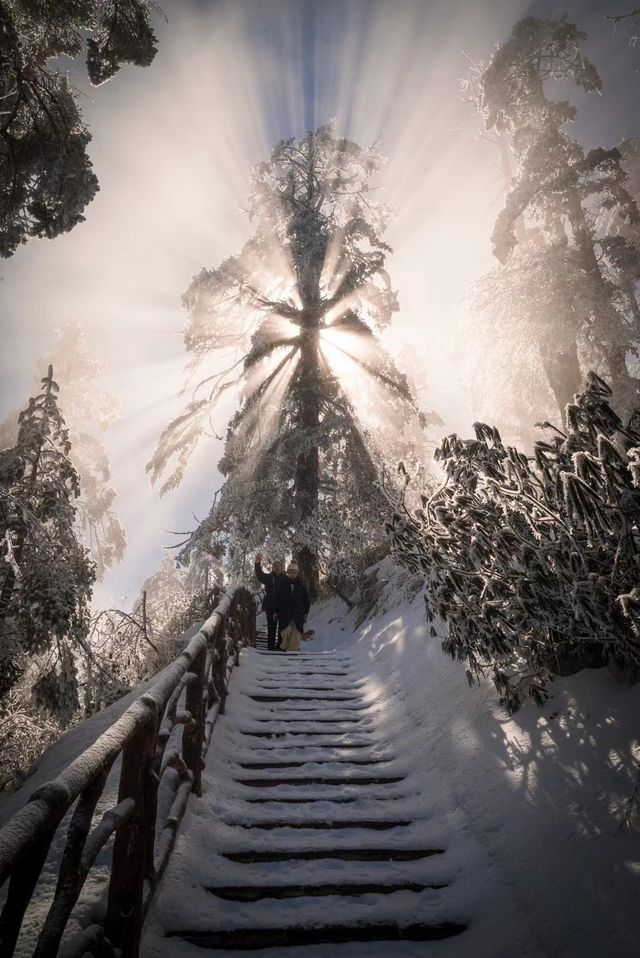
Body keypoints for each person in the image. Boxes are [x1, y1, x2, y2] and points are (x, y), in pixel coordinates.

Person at [274, 561, 310, 653]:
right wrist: (275, 611)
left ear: (297, 573)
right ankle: (284, 647)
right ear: (288, 572)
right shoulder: (282, 584)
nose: (292, 574)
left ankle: (292, 651)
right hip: (285, 612)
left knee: (296, 632)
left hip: (298, 613)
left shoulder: (301, 585)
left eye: (294, 573)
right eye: (290, 572)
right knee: (286, 630)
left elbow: (306, 600)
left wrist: (306, 611)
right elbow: (277, 598)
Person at [254, 554, 284, 651]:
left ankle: (280, 646)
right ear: (272, 568)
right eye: (274, 566)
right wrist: (257, 563)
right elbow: (260, 575)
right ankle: (271, 648)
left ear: (282, 568)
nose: (276, 567)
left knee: (282, 627)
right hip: (270, 605)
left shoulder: (285, 579)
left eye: (278, 566)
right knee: (271, 627)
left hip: (282, 606)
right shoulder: (269, 578)